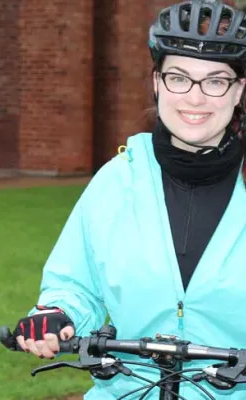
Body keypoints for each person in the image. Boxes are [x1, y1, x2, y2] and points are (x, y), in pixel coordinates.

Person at [13, 1, 246, 398]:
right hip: (126, 390)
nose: (195, 97)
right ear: (157, 82)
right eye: (179, 77)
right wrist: (57, 314)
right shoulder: (116, 182)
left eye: (215, 81)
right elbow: (75, 283)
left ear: (238, 89)